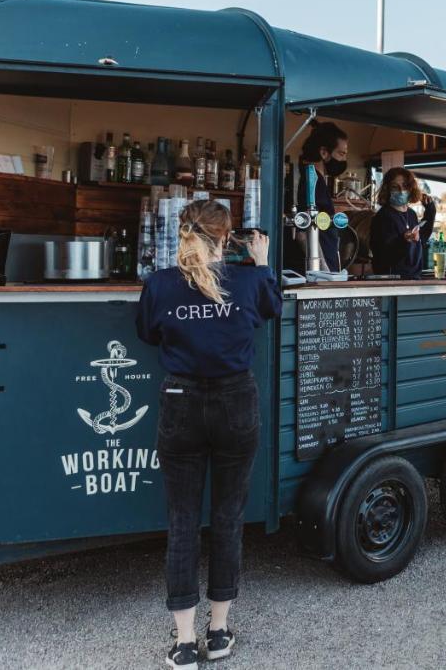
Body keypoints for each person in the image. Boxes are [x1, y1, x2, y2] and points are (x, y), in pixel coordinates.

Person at [136, 201, 281, 668]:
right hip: (236, 402)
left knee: (182, 520)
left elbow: (147, 333)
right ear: (227, 238)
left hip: (180, 403)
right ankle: (218, 632)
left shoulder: (159, 284)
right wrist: (262, 264)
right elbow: (272, 309)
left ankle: (183, 642)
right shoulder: (250, 279)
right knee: (228, 516)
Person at [297, 120, 350, 271]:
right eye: (341, 153)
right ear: (324, 152)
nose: (343, 160)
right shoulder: (312, 182)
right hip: (321, 273)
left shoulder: (318, 181)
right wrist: (323, 269)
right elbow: (303, 234)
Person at [369, 167, 436, 279]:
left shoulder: (411, 214)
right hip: (393, 281)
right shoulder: (383, 217)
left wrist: (430, 211)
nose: (401, 190)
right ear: (387, 189)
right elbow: (382, 255)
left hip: (414, 278)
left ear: (411, 188)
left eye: (405, 186)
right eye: (395, 187)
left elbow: (420, 239)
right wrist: (403, 241)